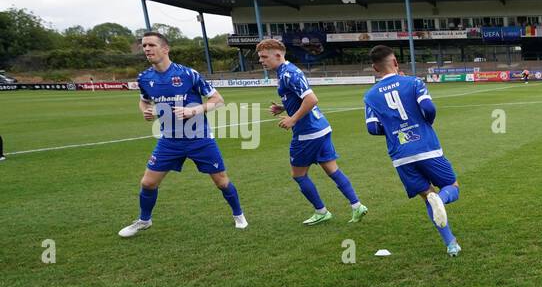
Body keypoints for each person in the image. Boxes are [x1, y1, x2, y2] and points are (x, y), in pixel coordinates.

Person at [118, 31, 246, 238]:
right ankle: (144, 220)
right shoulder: (144, 77)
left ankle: (238, 214)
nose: (147, 49)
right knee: (148, 183)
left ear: (165, 49)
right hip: (169, 140)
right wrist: (146, 111)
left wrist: (193, 110)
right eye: (144, 46)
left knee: (221, 181)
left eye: (151, 45)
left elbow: (218, 100)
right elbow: (144, 100)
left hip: (199, 138)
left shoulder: (188, 74)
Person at [363, 45, 461, 257]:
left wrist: (391, 130)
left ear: (374, 68)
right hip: (426, 147)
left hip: (400, 155)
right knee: (451, 187)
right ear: (396, 62)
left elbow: (372, 128)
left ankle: (451, 243)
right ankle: (442, 200)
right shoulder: (414, 82)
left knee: (427, 196)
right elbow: (429, 108)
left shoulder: (369, 96)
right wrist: (426, 124)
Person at [257, 39, 367, 226]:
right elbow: (300, 98)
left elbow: (311, 99)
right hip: (321, 128)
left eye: (264, 56)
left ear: (278, 55)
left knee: (298, 175)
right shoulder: (287, 71)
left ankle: (321, 211)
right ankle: (357, 206)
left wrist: (293, 119)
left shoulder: (288, 74)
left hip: (307, 133)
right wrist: (284, 108)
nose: (261, 60)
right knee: (332, 169)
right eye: (260, 57)